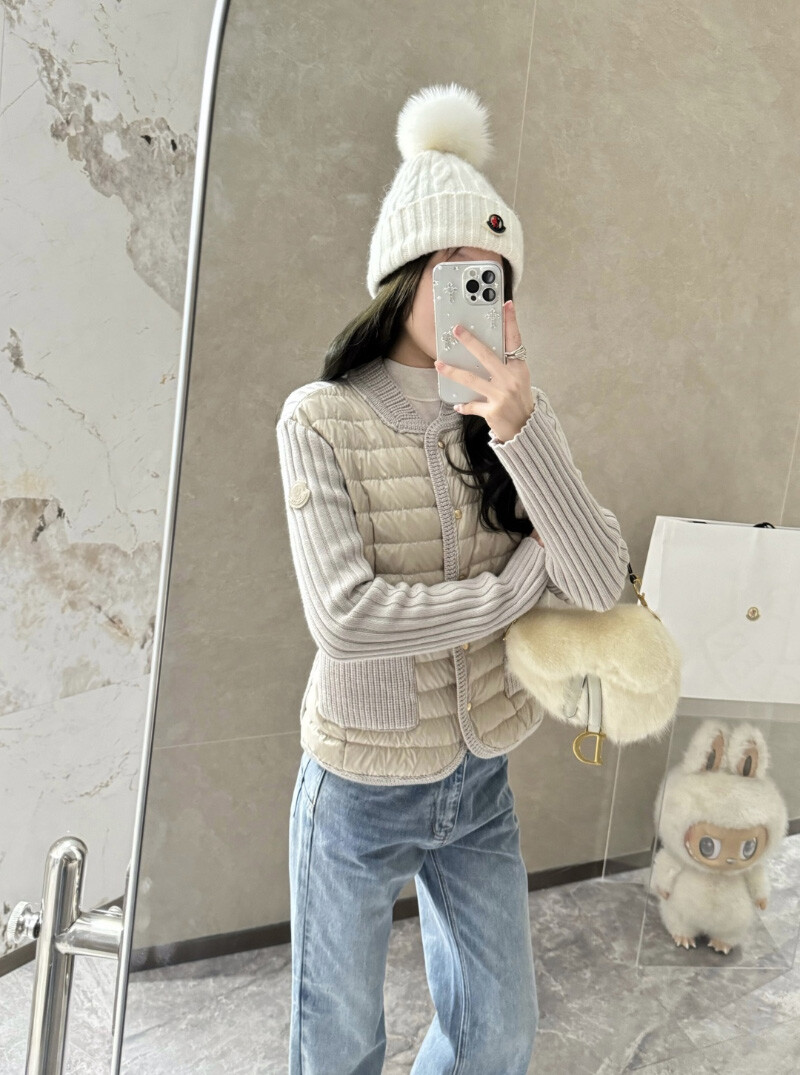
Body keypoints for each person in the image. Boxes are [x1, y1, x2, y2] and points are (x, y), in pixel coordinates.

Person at [275, 83, 629, 1075]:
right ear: (402, 276)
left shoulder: (513, 415)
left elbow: (598, 580)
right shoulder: (319, 417)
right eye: (459, 272)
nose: (482, 296)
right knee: (339, 1044)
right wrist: (514, 588)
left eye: (495, 280)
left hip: (478, 782)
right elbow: (345, 616)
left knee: (496, 1035)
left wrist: (520, 431)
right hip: (357, 783)